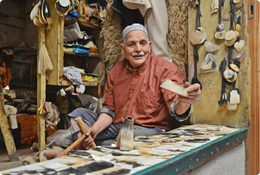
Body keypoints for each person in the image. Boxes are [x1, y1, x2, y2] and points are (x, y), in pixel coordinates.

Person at [68, 23, 201, 150]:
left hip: (149, 129)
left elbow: (176, 109)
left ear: (149, 46)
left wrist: (184, 101)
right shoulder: (115, 72)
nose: (138, 49)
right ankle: (84, 141)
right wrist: (93, 131)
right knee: (78, 114)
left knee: (124, 138)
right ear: (123, 49)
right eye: (131, 44)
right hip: (118, 125)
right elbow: (109, 111)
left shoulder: (165, 70)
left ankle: (90, 144)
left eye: (142, 43)